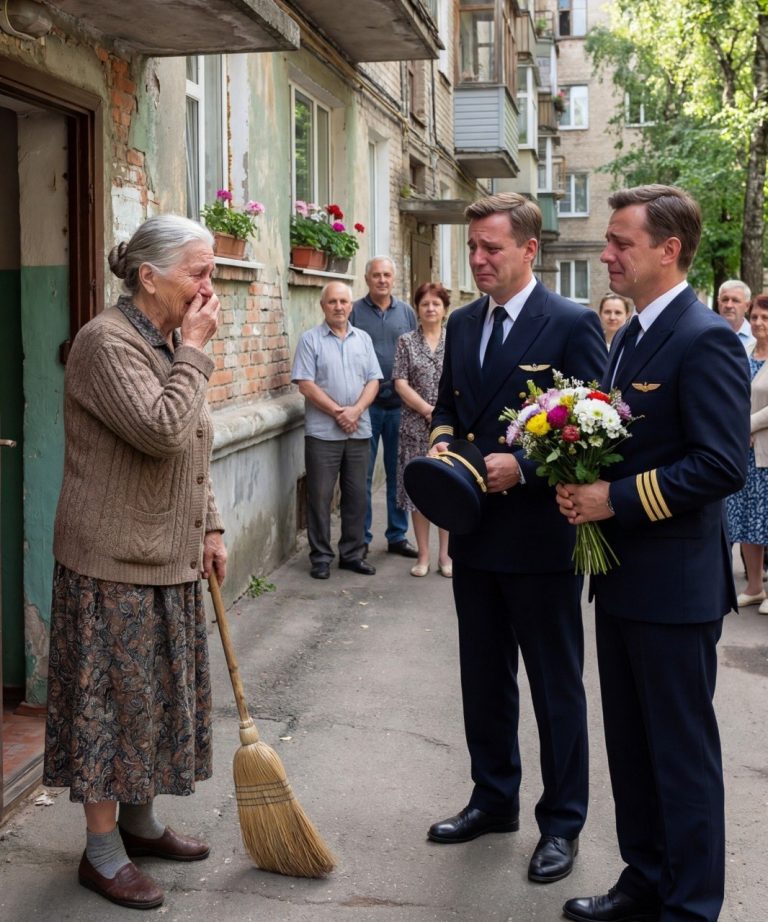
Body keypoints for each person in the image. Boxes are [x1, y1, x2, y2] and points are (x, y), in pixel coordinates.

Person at [556, 185, 750, 922]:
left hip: (676, 586)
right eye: (607, 241)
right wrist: (579, 483)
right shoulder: (632, 334)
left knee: (681, 756)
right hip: (623, 578)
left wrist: (615, 499)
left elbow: (722, 464)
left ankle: (691, 905)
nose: (607, 254)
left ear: (668, 251)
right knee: (633, 750)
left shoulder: (703, 337)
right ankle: (645, 878)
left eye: (620, 243)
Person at [43, 215, 228, 910]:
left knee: (152, 702)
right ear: (148, 278)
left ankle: (142, 823)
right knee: (107, 708)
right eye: (199, 273)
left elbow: (197, 442)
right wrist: (199, 353)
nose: (210, 287)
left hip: (169, 551)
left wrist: (209, 525)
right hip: (111, 560)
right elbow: (160, 430)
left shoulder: (173, 342)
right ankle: (100, 851)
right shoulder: (105, 343)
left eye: (212, 271)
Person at [426, 192, 607, 885]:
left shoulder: (572, 323)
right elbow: (447, 407)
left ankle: (561, 823)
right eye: (472, 248)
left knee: (555, 688)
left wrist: (525, 465)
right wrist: (444, 448)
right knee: (484, 680)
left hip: (540, 540)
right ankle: (493, 798)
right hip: (474, 534)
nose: (477, 261)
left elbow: (596, 428)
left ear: (531, 250)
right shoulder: (466, 324)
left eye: (491, 249)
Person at [292, 281, 382, 580]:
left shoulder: (364, 340)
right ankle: (320, 557)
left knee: (357, 496)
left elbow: (373, 381)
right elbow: (305, 383)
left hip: (359, 430)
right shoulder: (310, 340)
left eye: (344, 301)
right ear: (323, 306)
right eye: (333, 302)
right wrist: (337, 412)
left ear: (351, 305)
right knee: (320, 496)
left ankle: (353, 554)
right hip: (322, 433)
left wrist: (355, 411)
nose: (339, 307)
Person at [350, 257, 418, 559]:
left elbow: (415, 351)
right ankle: (361, 537)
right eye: (376, 275)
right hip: (366, 406)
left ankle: (397, 535)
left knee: (399, 473)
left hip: (400, 406)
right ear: (367, 279)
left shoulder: (406, 313)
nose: (382, 280)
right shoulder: (353, 311)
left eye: (387, 275)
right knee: (362, 475)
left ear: (394, 278)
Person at [393, 281, 452, 578]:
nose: (430, 308)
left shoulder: (454, 339)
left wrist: (442, 414)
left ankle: (445, 555)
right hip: (415, 426)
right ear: (417, 308)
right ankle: (423, 555)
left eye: (436, 304)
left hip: (447, 429)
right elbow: (400, 381)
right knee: (419, 491)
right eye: (425, 303)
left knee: (446, 489)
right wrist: (428, 410)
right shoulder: (406, 341)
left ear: (444, 309)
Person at [726, 293, 768, 612]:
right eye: (755, 317)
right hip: (747, 455)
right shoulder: (745, 351)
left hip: (763, 448)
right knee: (749, 522)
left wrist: (745, 426)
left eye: (765, 318)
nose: (758, 323)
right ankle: (755, 587)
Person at [716, 278, 754, 351]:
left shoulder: (756, 338)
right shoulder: (706, 333)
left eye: (735, 301)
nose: (729, 305)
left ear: (747, 306)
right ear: (718, 303)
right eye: (725, 300)